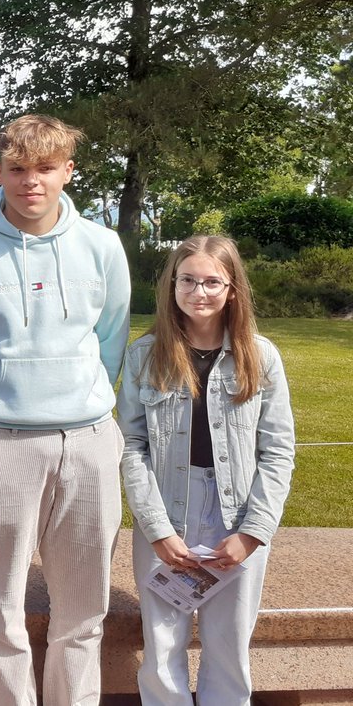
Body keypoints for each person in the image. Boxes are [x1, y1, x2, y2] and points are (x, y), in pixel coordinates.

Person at [0, 115, 131, 706]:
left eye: (44, 168)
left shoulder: (102, 247)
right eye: (16, 168)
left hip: (88, 442)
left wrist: (84, 403)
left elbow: (109, 338)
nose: (29, 181)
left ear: (67, 171)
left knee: (85, 606)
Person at [118, 235, 294, 705]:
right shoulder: (146, 355)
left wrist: (252, 533)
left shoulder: (260, 356)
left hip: (235, 516)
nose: (200, 292)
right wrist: (156, 529)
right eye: (188, 280)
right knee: (162, 646)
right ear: (172, 285)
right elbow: (131, 447)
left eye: (212, 282)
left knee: (229, 645)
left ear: (232, 288)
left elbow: (277, 452)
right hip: (167, 510)